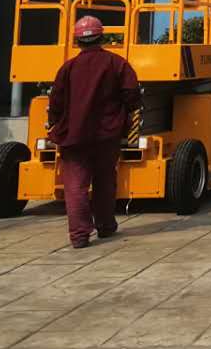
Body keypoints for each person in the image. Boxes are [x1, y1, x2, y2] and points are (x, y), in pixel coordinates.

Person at [47, 15, 141, 249]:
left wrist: (54, 126)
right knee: (105, 181)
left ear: (77, 41)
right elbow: (132, 95)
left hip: (73, 137)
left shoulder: (67, 68)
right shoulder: (117, 64)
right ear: (102, 37)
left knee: (76, 186)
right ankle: (106, 226)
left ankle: (79, 235)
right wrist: (128, 119)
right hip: (106, 135)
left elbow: (55, 102)